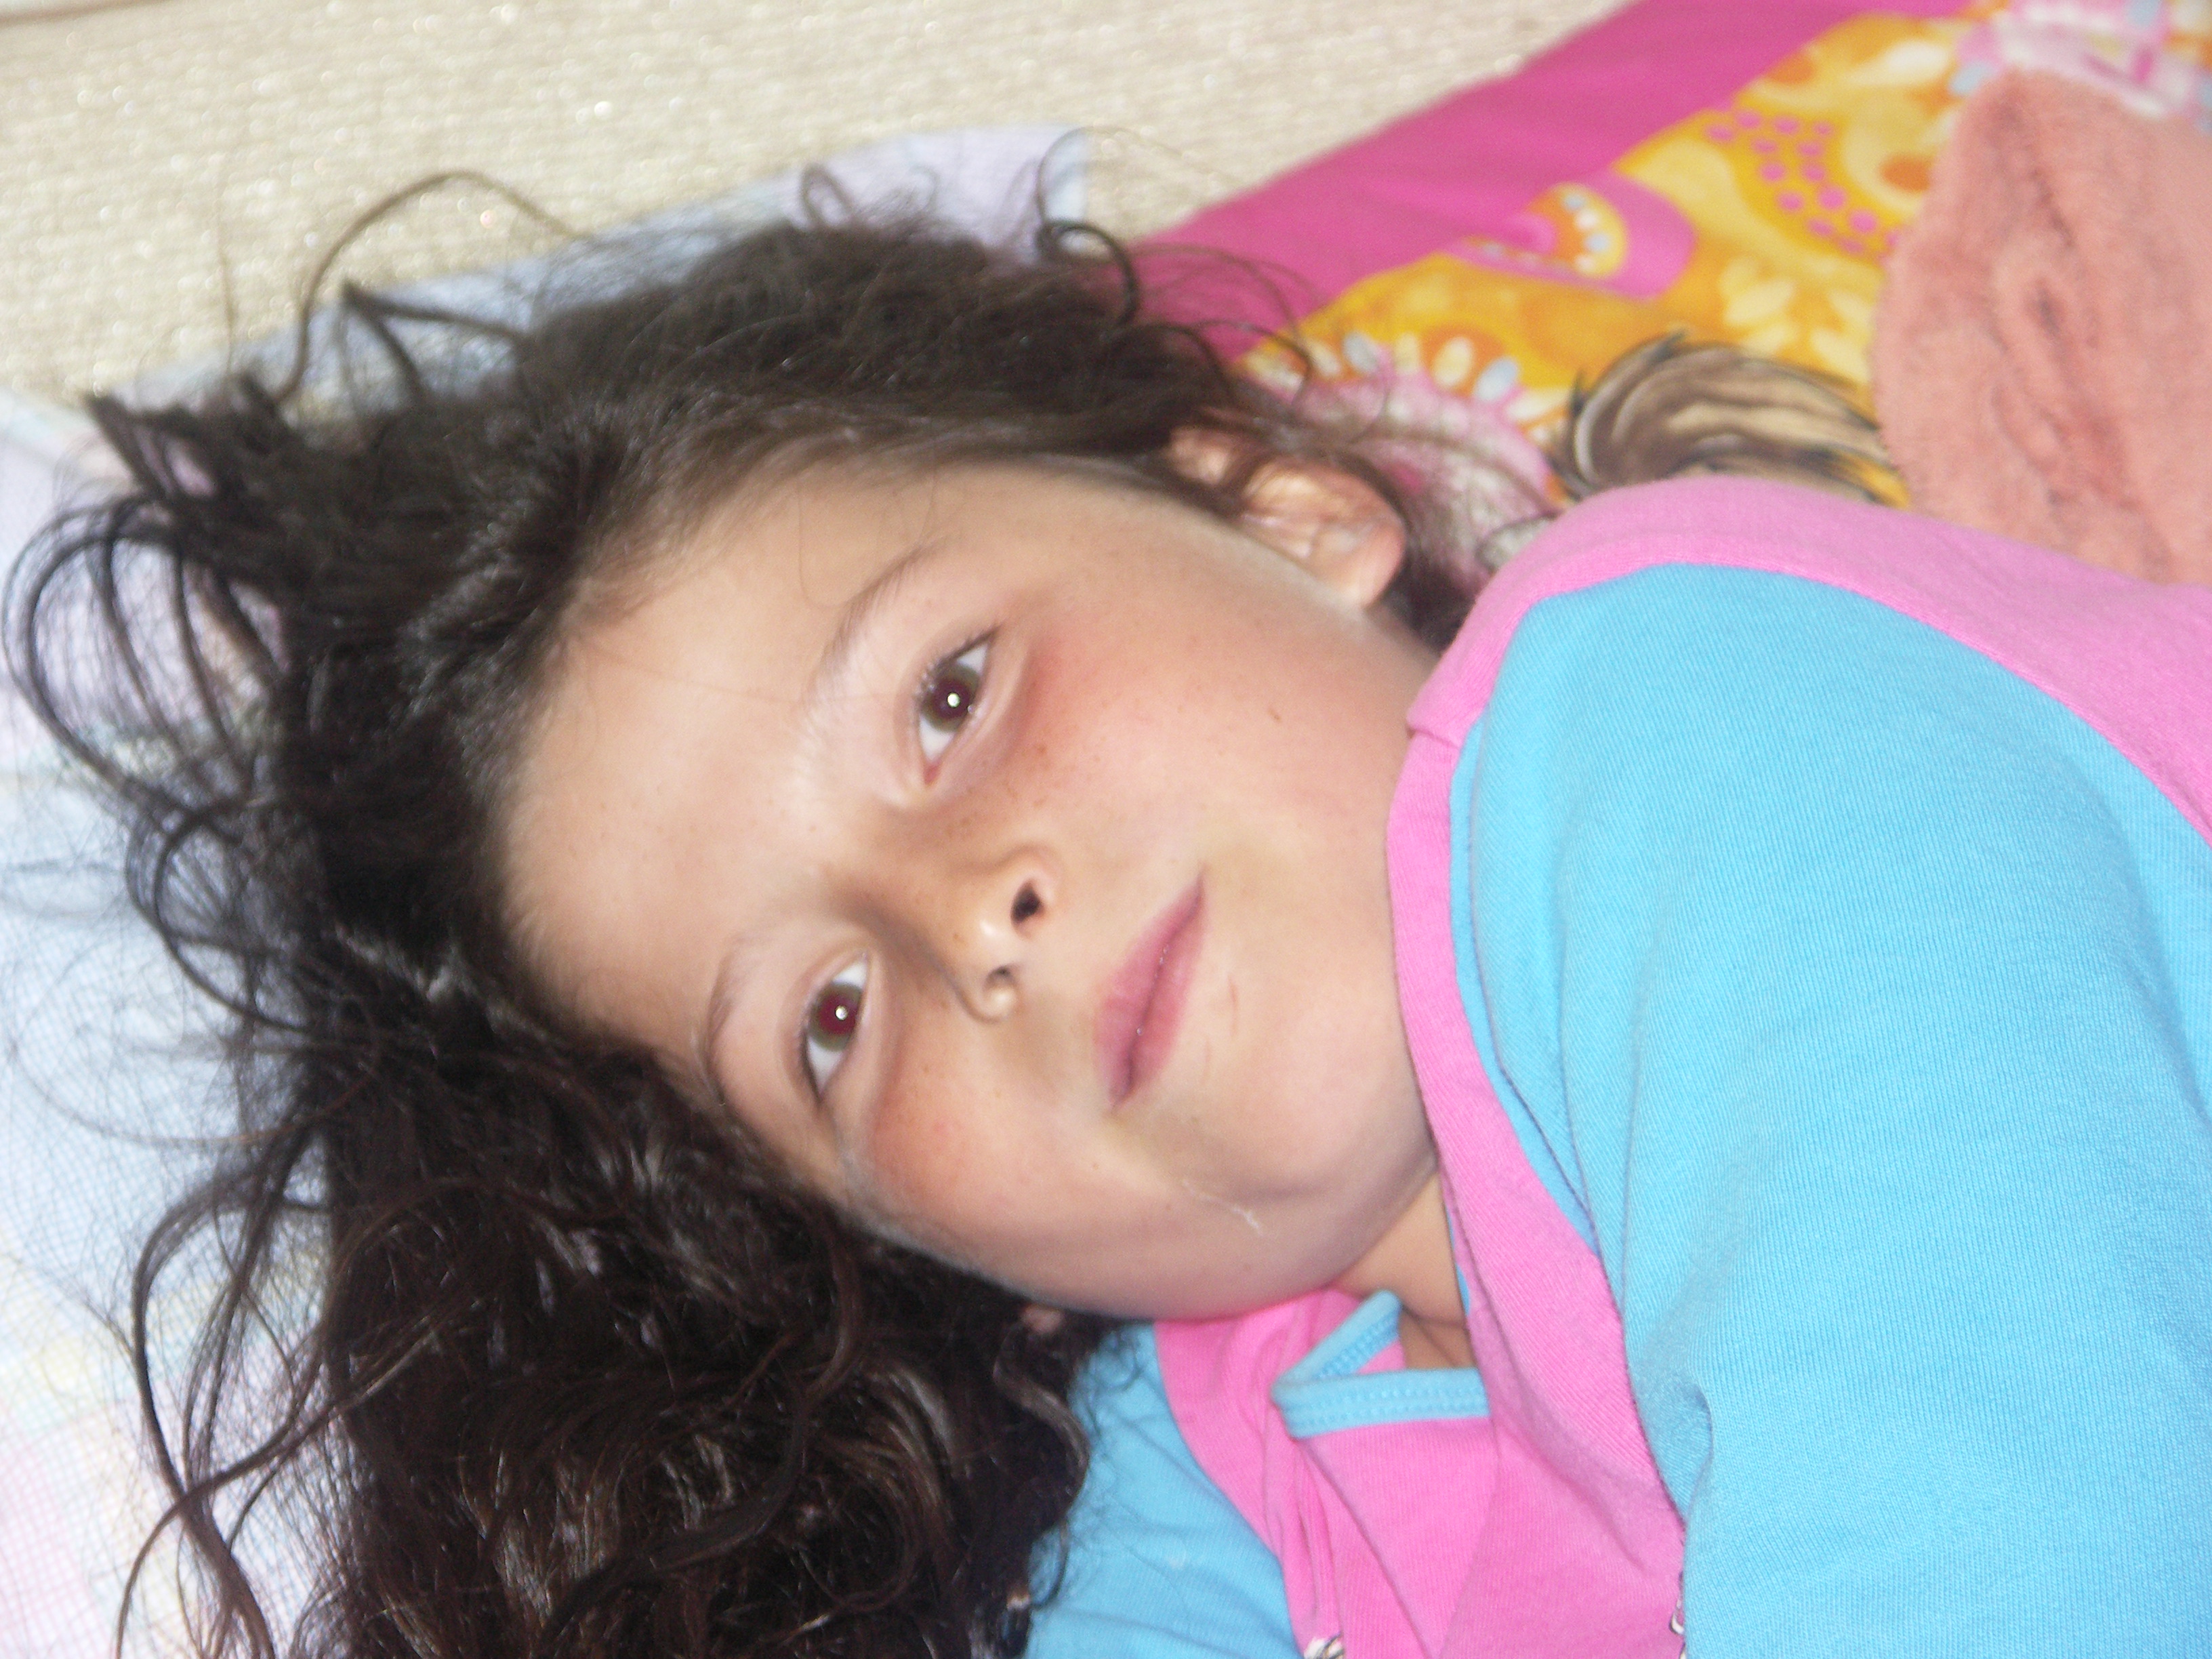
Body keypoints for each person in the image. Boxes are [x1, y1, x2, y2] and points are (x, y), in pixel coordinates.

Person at [10, 213, 2206, 1659]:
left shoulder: (1678, 698)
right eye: (829, 1021)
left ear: (1285, 508)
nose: (970, 928)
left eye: (953, 695)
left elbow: (2000, 1525)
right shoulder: (1222, 1464)